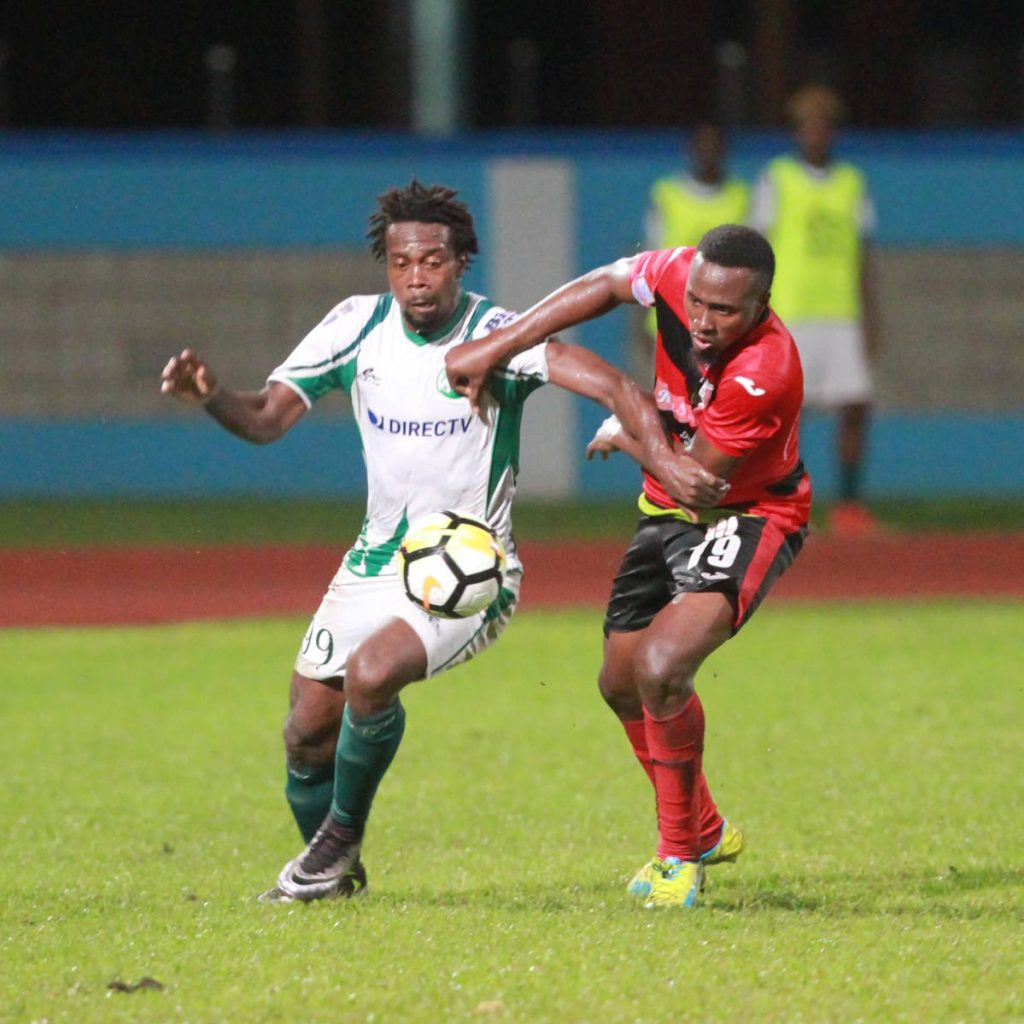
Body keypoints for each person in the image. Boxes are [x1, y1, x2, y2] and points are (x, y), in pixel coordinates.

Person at [160, 180, 727, 903]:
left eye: (433, 260)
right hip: (374, 560)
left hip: (470, 570)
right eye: (402, 263)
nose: (416, 277)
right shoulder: (355, 328)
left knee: (372, 673)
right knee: (306, 732)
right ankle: (335, 873)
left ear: (462, 262)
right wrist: (212, 395)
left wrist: (668, 460)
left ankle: (336, 843)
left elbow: (614, 384)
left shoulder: (500, 335)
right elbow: (268, 418)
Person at [446, 224, 811, 909]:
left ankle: (678, 855)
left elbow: (697, 483)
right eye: (696, 301)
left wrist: (626, 424)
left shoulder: (767, 369)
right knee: (618, 684)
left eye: (724, 310)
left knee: (663, 666)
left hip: (749, 514)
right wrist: (497, 345)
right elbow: (607, 286)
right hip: (665, 510)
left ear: (761, 304)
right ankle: (702, 829)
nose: (701, 321)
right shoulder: (677, 274)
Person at [749, 84, 879, 536]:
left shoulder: (851, 183)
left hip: (841, 311)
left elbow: (864, 255)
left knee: (856, 405)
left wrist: (870, 316)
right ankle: (778, 497)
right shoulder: (777, 177)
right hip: (793, 311)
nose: (816, 134)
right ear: (797, 131)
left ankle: (848, 505)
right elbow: (758, 247)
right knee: (785, 411)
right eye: (808, 125)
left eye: (824, 125)